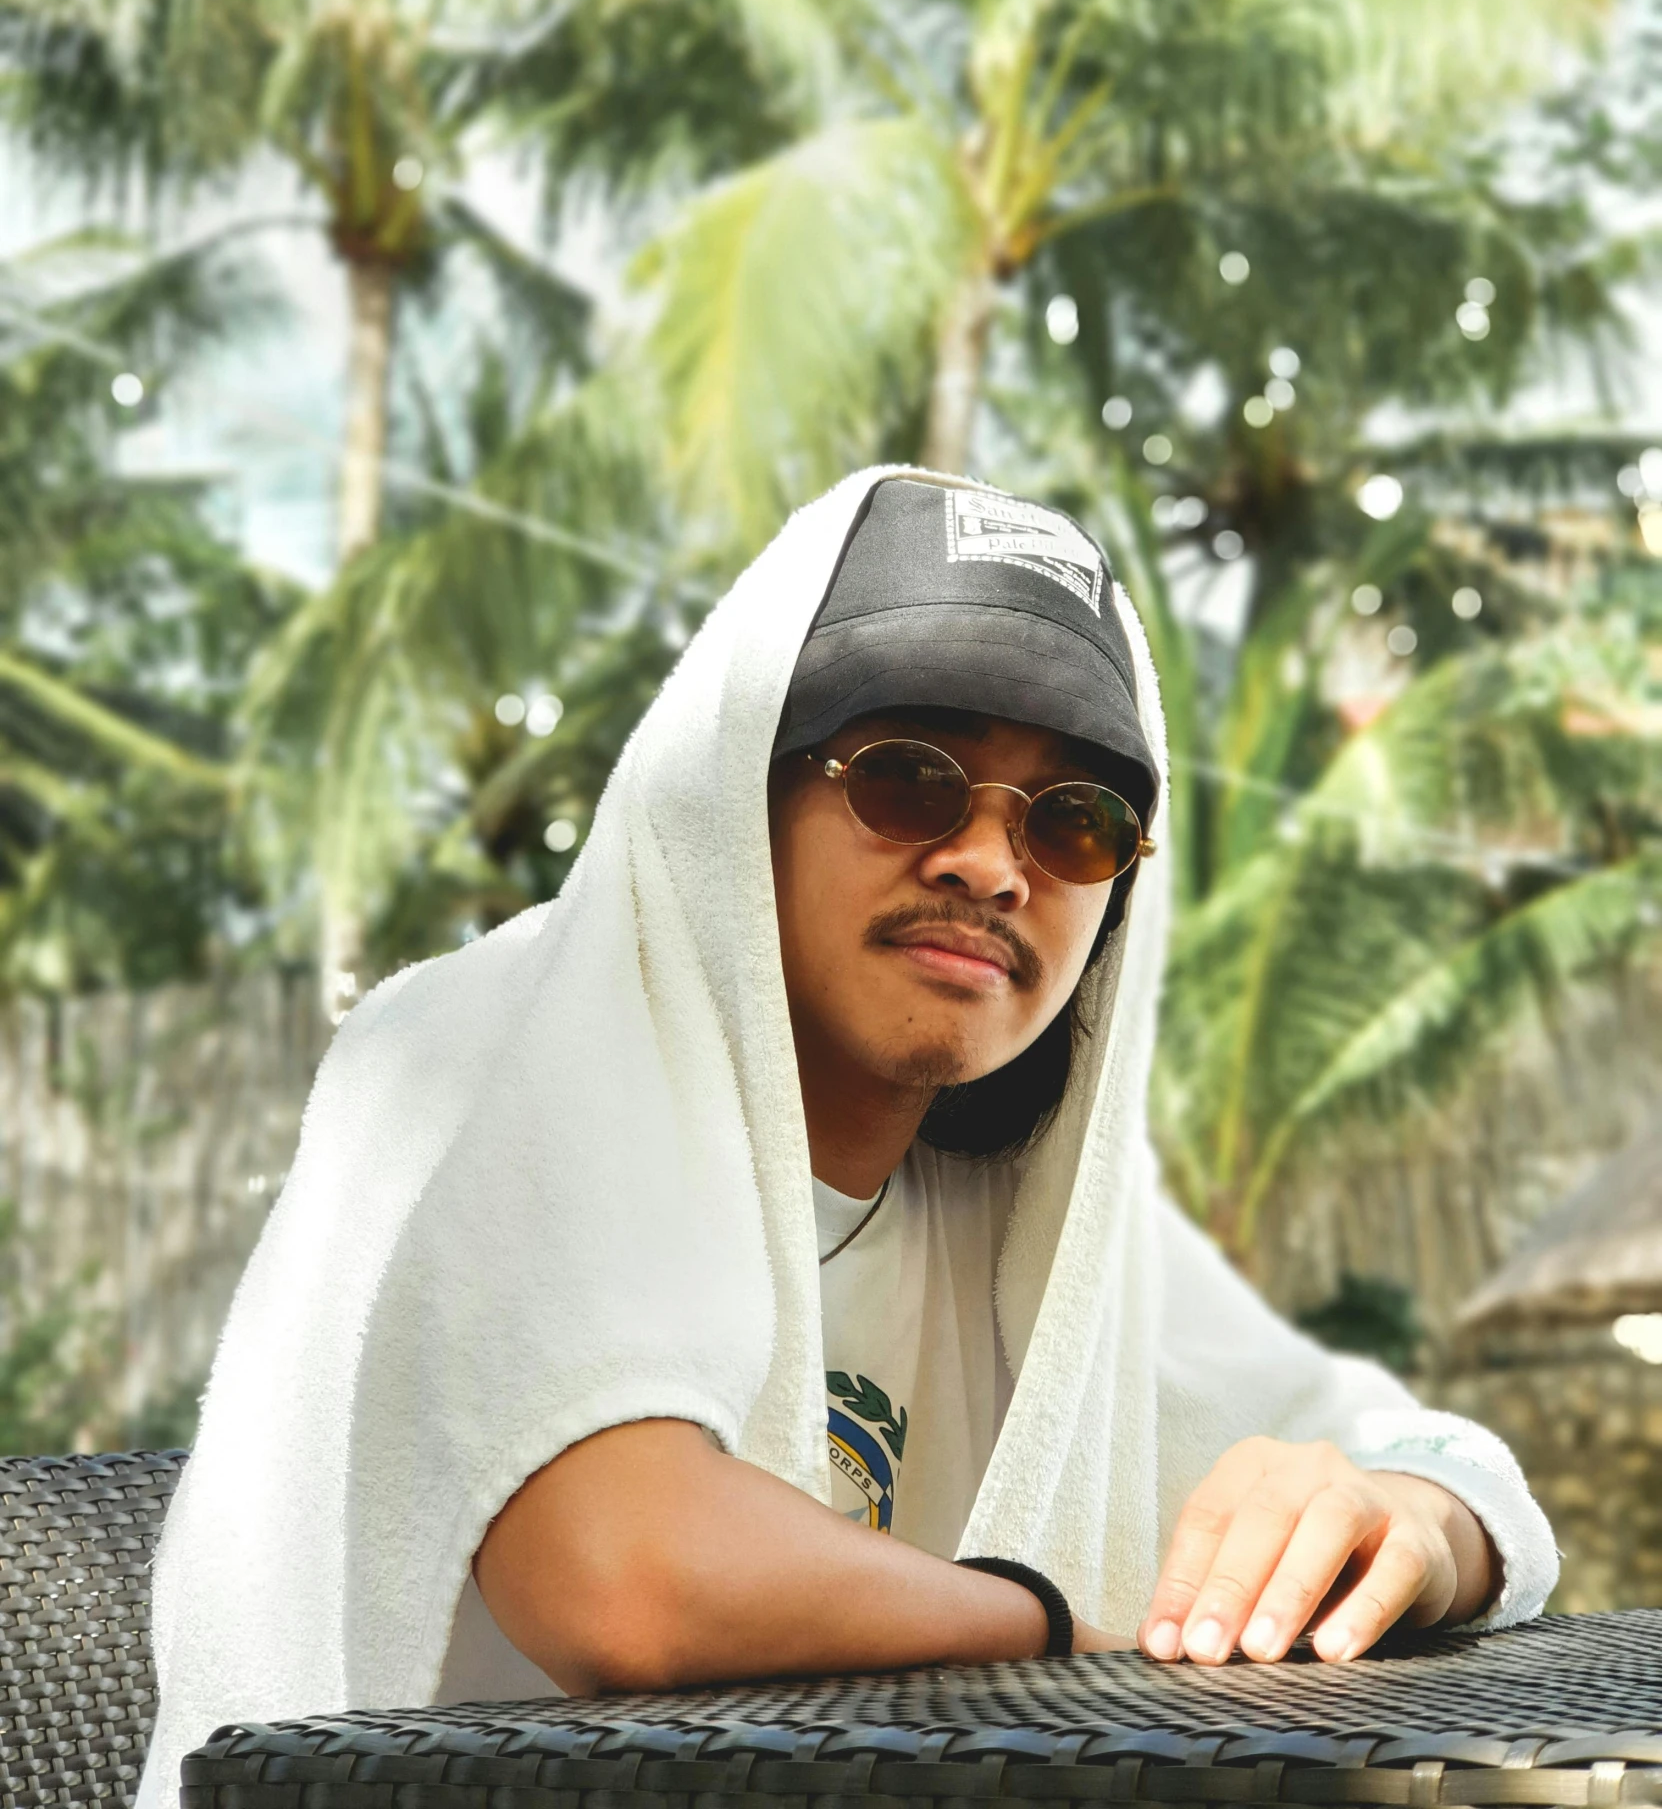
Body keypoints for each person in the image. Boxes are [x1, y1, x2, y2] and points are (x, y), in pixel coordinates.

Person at [138, 473, 1554, 1806]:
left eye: (1078, 821)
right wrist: (1071, 1614)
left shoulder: (1021, 1217)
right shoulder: (473, 1045)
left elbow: (1429, 1451)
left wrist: (1408, 1519)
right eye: (908, 776)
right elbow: (630, 1578)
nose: (990, 863)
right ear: (733, 787)